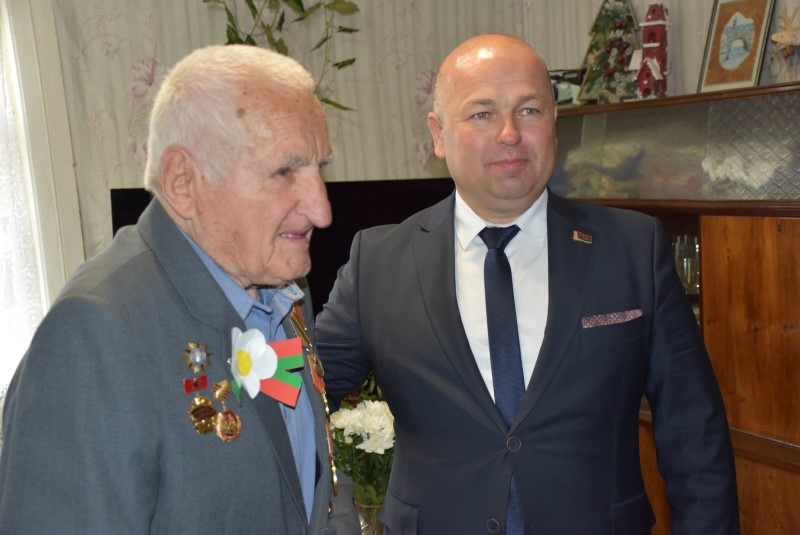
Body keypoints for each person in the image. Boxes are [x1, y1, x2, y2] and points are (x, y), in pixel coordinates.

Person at [315, 33, 739, 534]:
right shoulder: (379, 262)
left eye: (530, 110)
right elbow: (298, 398)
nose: (510, 133)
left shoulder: (632, 248)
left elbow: (694, 433)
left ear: (554, 122)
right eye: (482, 114)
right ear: (438, 134)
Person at [0, 44, 357, 534]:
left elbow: (313, 482)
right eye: (283, 172)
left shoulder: (283, 286)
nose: (322, 210)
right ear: (183, 183)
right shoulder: (95, 333)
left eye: (320, 168)